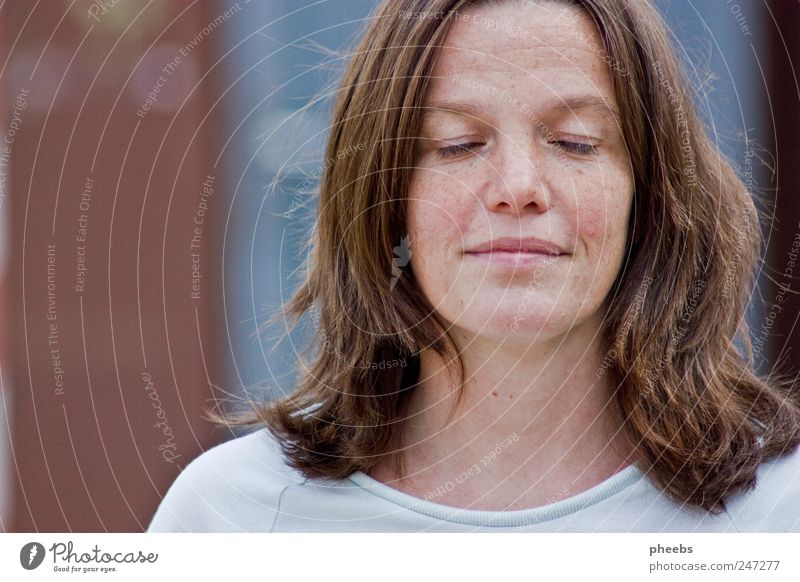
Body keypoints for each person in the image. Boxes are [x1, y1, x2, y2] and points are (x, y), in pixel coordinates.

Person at [147, 0, 800, 532]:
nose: (519, 186)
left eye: (575, 142)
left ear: (651, 195)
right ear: (385, 197)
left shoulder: (778, 513)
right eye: (457, 145)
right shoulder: (228, 516)